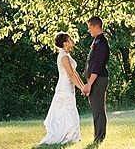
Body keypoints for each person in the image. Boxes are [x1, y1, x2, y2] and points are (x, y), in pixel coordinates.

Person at [39, 32, 87, 146]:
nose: (72, 42)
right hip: (64, 87)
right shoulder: (63, 56)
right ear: (65, 43)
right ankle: (66, 135)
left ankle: (71, 135)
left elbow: (75, 74)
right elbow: (70, 75)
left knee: (70, 110)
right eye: (70, 40)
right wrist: (81, 88)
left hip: (69, 87)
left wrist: (83, 86)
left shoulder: (66, 55)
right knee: (67, 110)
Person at [81, 16, 110, 145]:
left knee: (98, 109)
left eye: (89, 27)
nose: (88, 30)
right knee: (96, 109)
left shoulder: (102, 42)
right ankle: (97, 135)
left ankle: (99, 137)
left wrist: (89, 84)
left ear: (95, 26)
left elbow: (97, 66)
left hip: (98, 80)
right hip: (95, 80)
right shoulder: (97, 41)